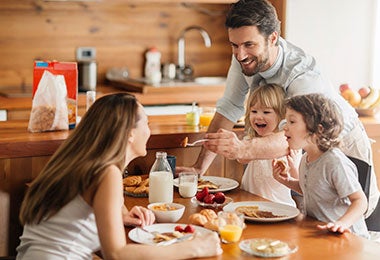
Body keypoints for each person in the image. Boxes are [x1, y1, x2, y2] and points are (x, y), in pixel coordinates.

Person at [176, 0, 379, 218]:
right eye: (234, 45)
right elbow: (228, 108)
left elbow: (296, 134)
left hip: (341, 143)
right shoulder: (243, 58)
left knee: (347, 216)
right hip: (302, 147)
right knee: (312, 216)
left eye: (249, 45)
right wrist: (199, 167)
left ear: (273, 38)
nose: (240, 54)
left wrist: (243, 149)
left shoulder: (302, 74)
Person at [16, 93, 222, 259]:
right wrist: (196, 248)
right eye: (146, 124)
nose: (149, 132)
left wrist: (120, 214)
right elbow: (116, 254)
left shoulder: (77, 160)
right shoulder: (107, 173)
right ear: (129, 133)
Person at [272, 93, 369, 239]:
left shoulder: (334, 162)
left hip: (348, 237)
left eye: (292, 121)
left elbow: (360, 201)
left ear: (318, 130)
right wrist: (287, 181)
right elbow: (313, 189)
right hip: (322, 233)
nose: (285, 127)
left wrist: (341, 224)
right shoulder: (306, 158)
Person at [239, 84, 300, 207]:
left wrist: (292, 167)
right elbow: (241, 158)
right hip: (249, 203)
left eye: (266, 112)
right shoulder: (252, 140)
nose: (258, 116)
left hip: (279, 206)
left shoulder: (289, 144)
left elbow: (299, 182)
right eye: (254, 111)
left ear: (282, 116)